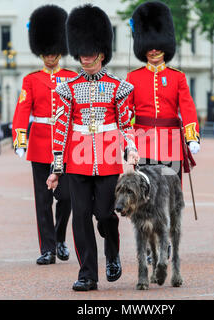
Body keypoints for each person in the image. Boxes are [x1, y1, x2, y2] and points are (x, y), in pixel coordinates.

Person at [46, 4, 139, 291]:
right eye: (82, 53)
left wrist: (131, 150)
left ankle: (112, 253)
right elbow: (61, 128)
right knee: (82, 216)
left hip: (109, 158)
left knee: (105, 214)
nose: (86, 58)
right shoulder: (67, 88)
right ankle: (88, 273)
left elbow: (126, 124)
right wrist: (56, 167)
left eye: (91, 53)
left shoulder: (119, 87)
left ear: (101, 53)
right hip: (77, 160)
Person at [11, 5, 77, 265]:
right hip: (39, 144)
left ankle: (59, 237)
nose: (50, 57)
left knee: (67, 197)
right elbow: (22, 109)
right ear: (41, 53)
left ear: (60, 51)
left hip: (65, 144)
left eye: (54, 53)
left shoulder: (71, 78)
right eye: (46, 53)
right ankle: (48, 248)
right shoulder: (31, 79)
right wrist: (20, 139)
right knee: (42, 200)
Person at [126, 1, 201, 180]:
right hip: (142, 142)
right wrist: (128, 141)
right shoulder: (133, 77)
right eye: (149, 46)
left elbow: (187, 108)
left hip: (172, 142)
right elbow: (126, 112)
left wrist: (192, 137)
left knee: (171, 194)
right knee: (145, 196)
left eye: (157, 45)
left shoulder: (178, 77)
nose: (153, 49)